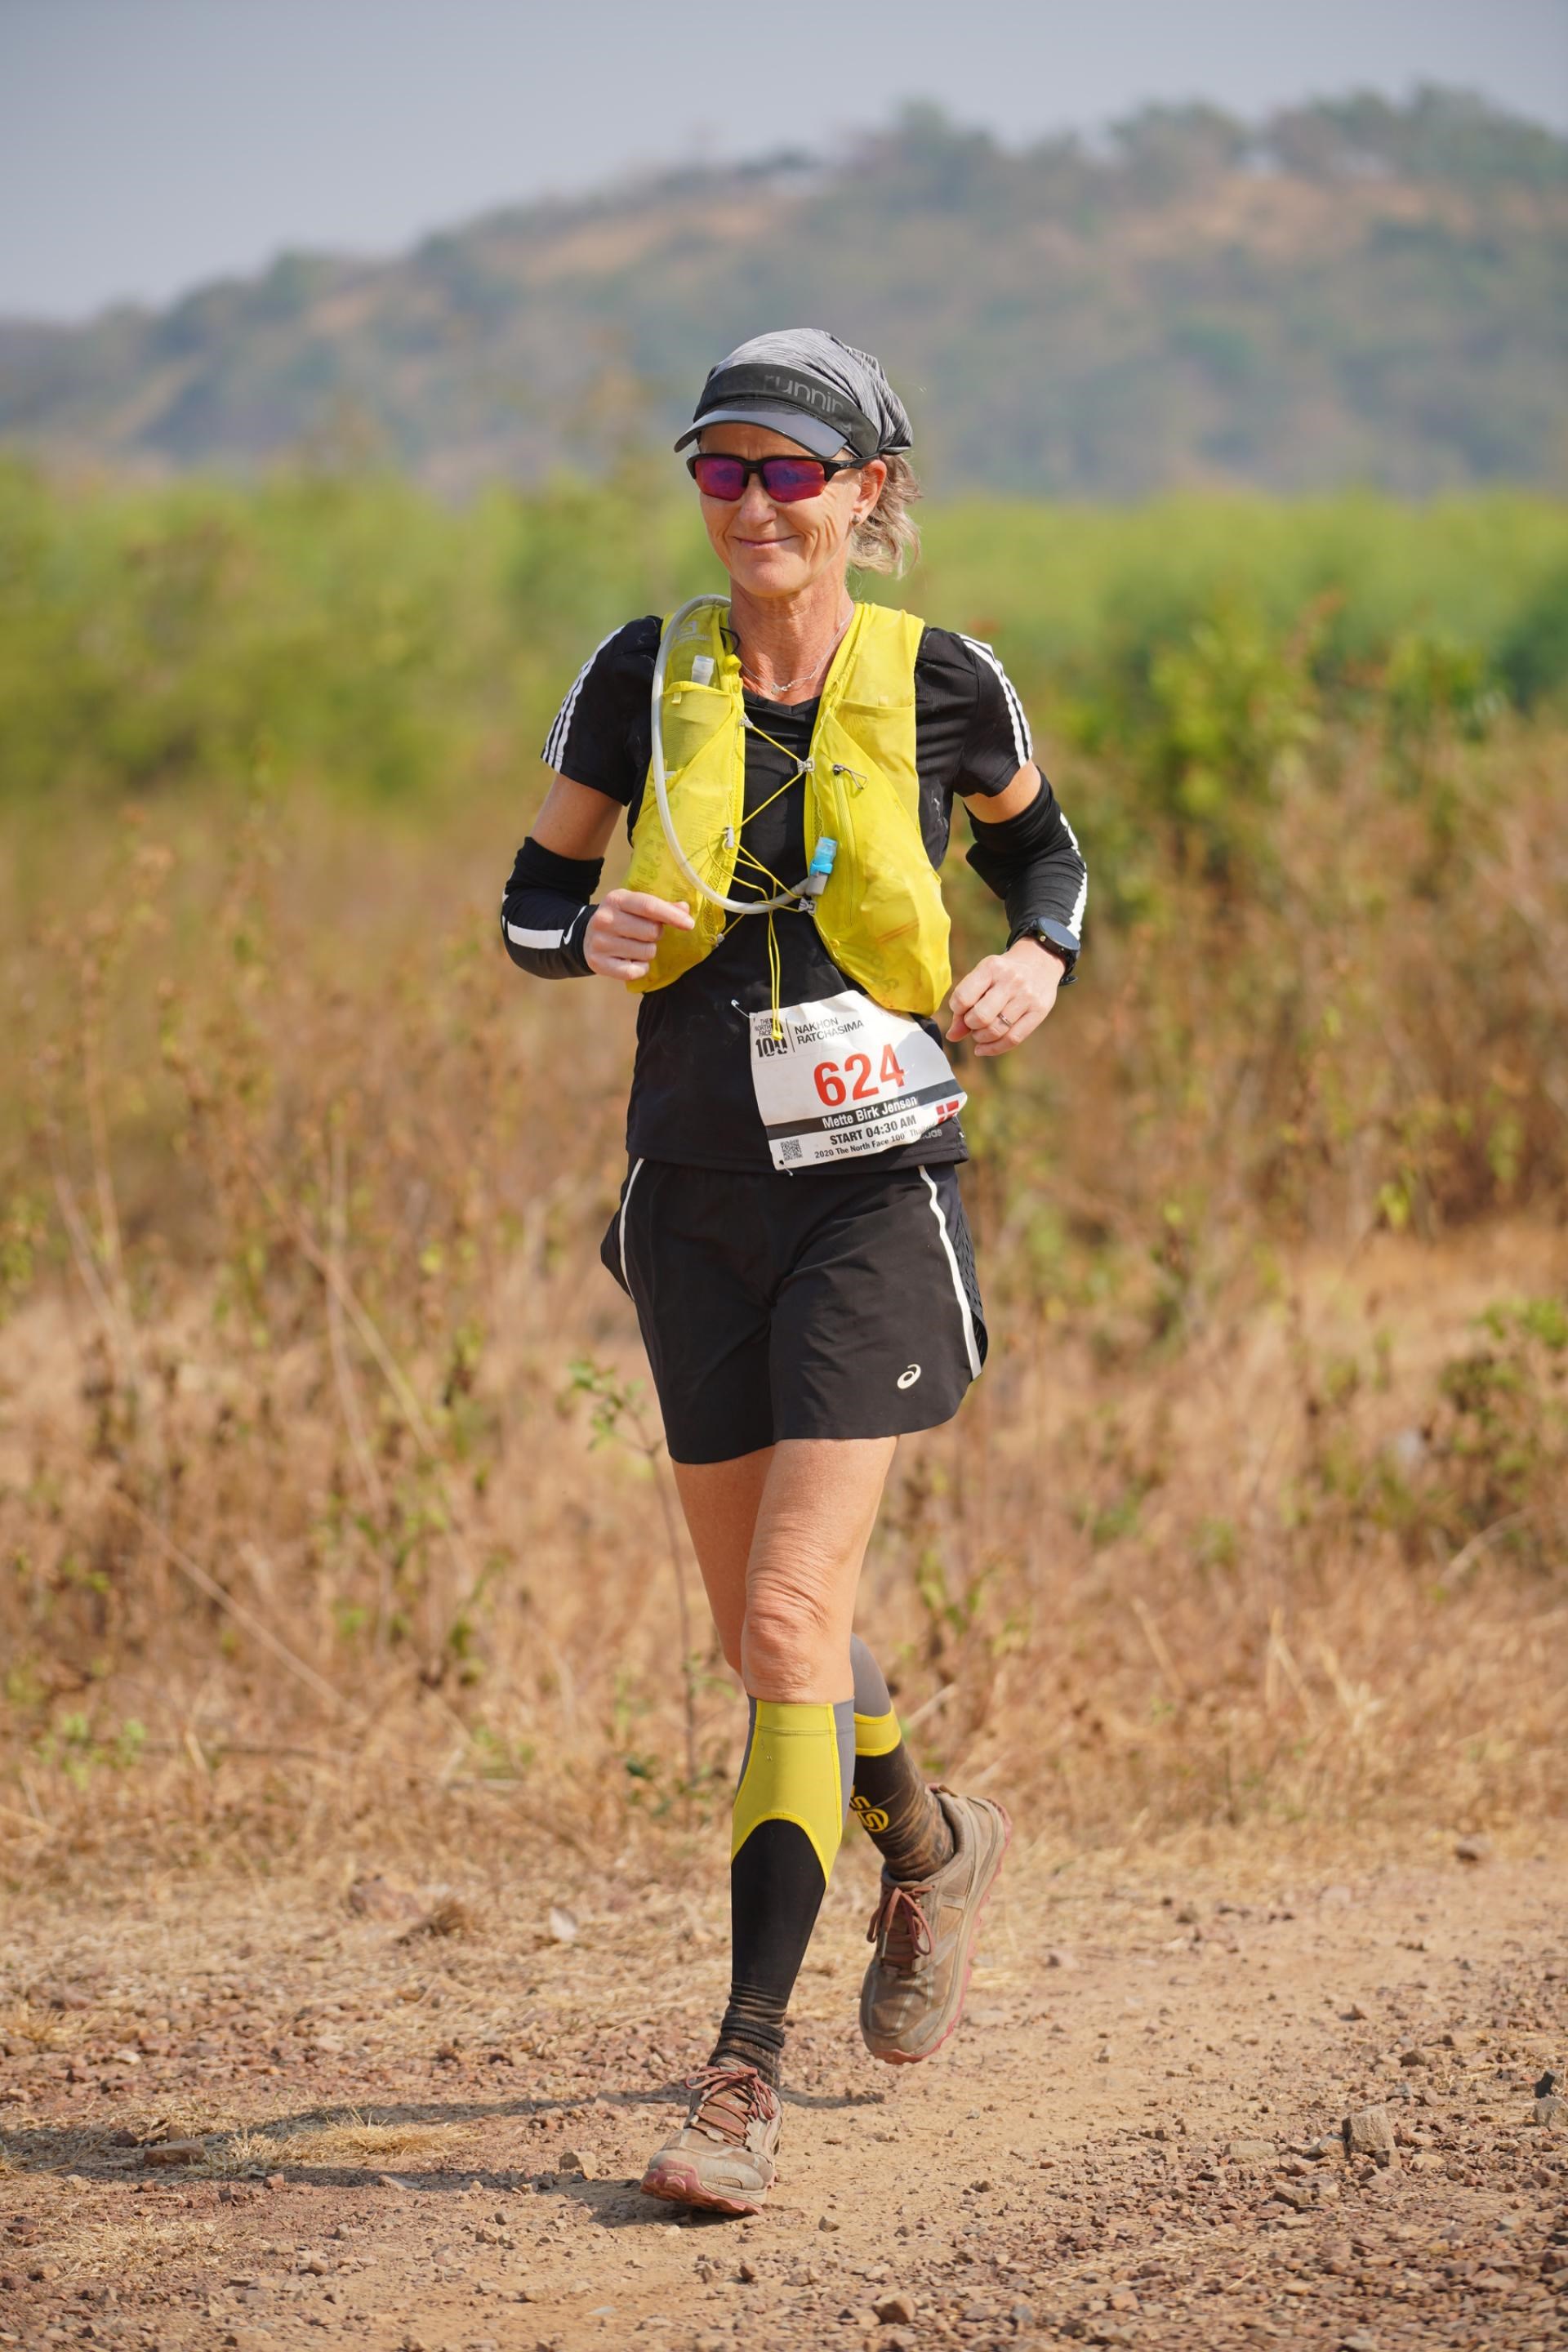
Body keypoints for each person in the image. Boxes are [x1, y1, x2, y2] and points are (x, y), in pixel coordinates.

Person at [500, 330, 1087, 2216]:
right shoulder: (638, 671)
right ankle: (926, 1841)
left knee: (783, 1619)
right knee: (772, 1638)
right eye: (720, 470)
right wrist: (585, 936)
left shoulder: (944, 677)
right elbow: (528, 905)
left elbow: (1048, 862)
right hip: (693, 1194)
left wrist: (1034, 963)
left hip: (873, 1195)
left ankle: (739, 2076)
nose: (752, 504)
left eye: (790, 472)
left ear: (867, 493)